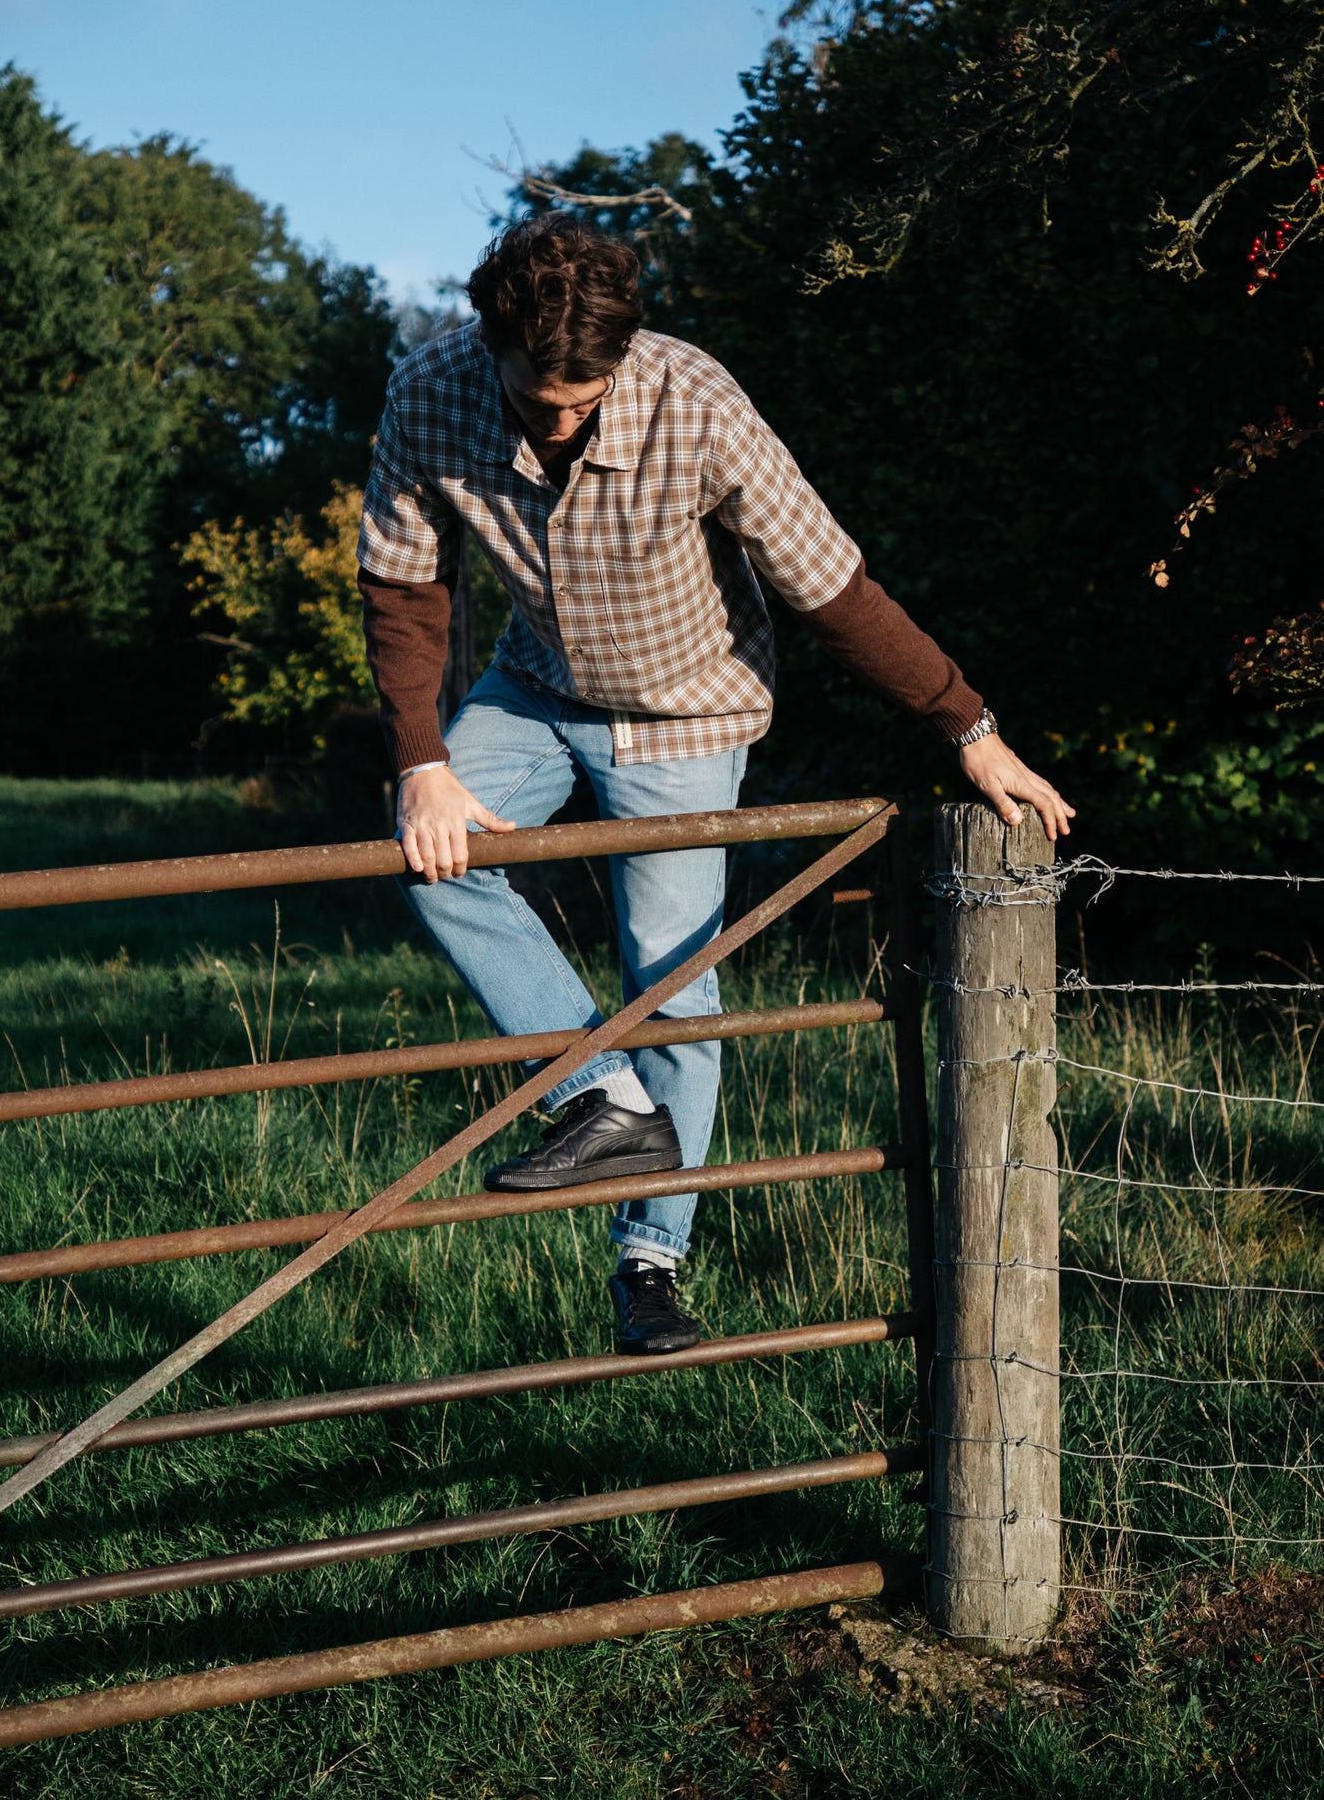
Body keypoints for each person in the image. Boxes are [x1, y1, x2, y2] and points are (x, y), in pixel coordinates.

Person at [358, 213, 1074, 1357]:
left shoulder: (696, 400)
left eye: (583, 398)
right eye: (536, 392)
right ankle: (601, 1099)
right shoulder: (426, 389)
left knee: (675, 986)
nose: (558, 416)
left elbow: (830, 587)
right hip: (534, 687)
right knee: (422, 845)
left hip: (687, 712)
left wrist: (967, 727)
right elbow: (403, 591)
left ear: (622, 357)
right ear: (487, 340)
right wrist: (423, 759)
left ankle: (650, 1265)